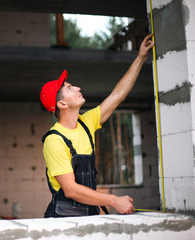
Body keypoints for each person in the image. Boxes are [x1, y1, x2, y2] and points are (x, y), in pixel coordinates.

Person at [39, 33, 154, 217]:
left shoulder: (86, 123)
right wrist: (114, 200)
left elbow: (118, 95)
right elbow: (71, 190)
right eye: (69, 88)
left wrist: (140, 57)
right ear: (62, 104)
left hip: (88, 215)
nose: (77, 88)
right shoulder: (54, 140)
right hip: (63, 220)